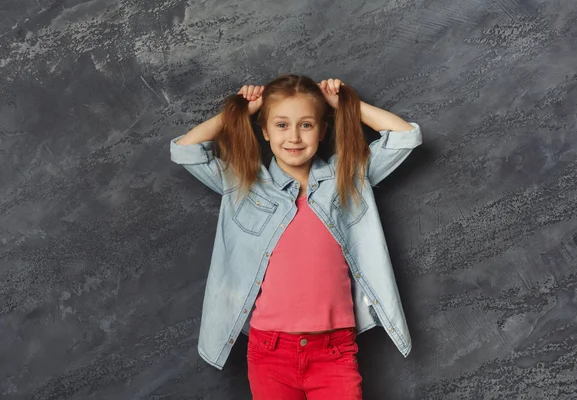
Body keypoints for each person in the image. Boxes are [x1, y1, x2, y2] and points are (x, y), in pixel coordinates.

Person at [170, 74, 422, 399]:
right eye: (281, 124)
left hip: (334, 349)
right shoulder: (245, 183)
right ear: (264, 131)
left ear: (322, 130)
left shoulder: (347, 177)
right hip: (270, 350)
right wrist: (240, 110)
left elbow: (405, 137)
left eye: (306, 125)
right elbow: (185, 150)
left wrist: (344, 104)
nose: (294, 137)